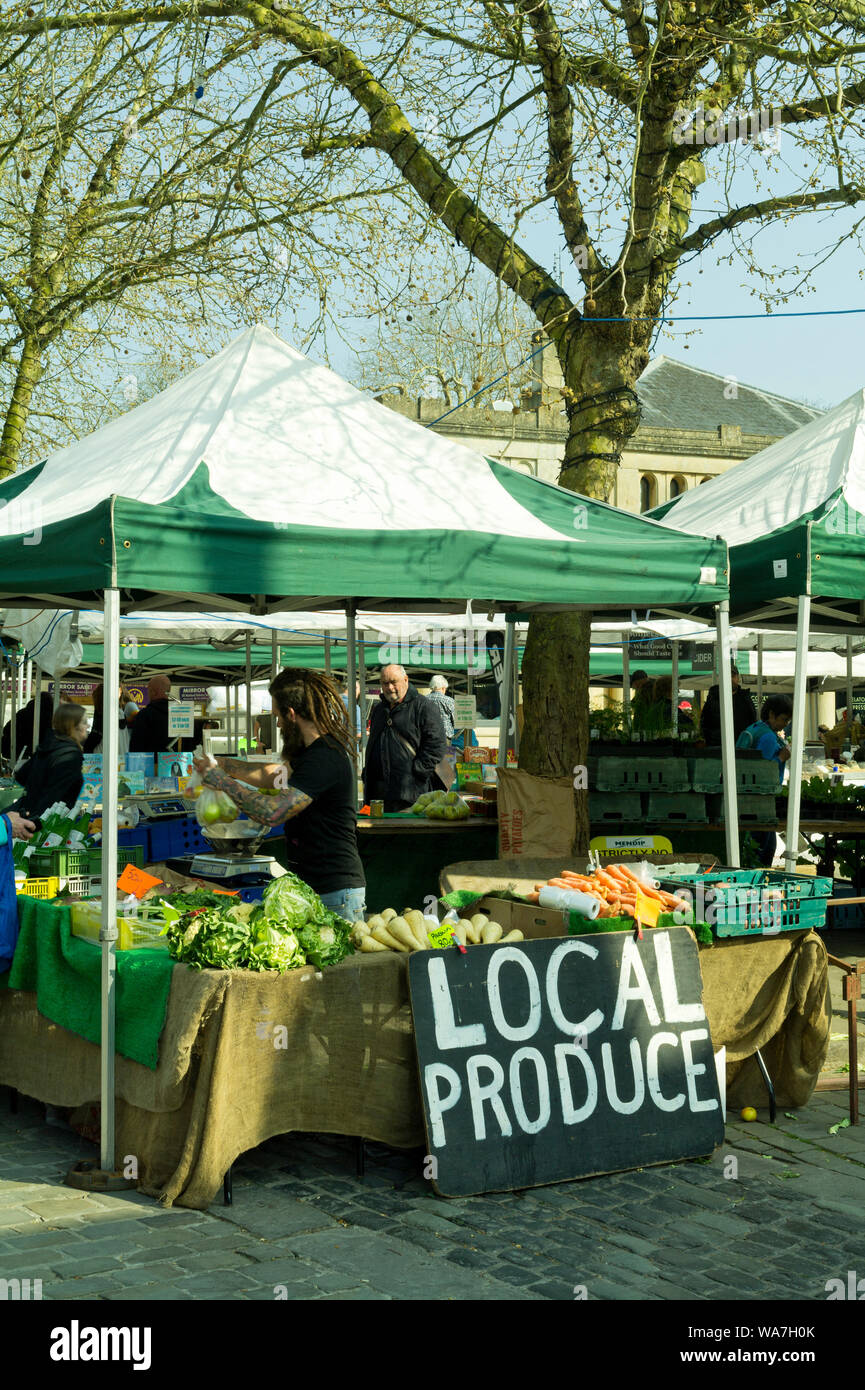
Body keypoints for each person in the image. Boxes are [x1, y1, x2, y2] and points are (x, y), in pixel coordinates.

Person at [192, 669, 365, 920]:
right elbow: (274, 775)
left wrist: (223, 782)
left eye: (277, 716)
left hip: (335, 893)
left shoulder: (323, 758)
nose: (277, 724)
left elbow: (273, 812)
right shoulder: (311, 753)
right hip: (315, 887)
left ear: (291, 714)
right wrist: (224, 765)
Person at [363, 664, 448, 811]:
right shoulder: (379, 710)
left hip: (409, 793)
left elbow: (437, 745)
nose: (389, 687)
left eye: (393, 682)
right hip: (378, 793)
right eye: (385, 683)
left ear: (405, 680)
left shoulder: (423, 706)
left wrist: (417, 772)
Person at [737, 694, 793, 867]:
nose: (785, 724)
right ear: (771, 714)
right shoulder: (768, 737)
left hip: (746, 797)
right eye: (784, 719)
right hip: (761, 800)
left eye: (788, 721)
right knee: (765, 849)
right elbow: (763, 772)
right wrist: (782, 758)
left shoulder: (754, 728)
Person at [10, 703, 88, 820]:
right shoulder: (70, 755)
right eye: (84, 722)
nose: (87, 726)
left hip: (27, 811)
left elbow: (22, 775)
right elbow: (55, 798)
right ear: (73, 726)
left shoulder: (48, 745)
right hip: (43, 822)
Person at [700, 665, 757, 745]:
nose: (730, 679)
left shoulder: (745, 698)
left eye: (733, 676)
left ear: (738, 678)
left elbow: (753, 723)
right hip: (717, 747)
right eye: (727, 676)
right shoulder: (713, 697)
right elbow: (704, 722)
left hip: (740, 747)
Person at [83, 683, 137, 756]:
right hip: (120, 756)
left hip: (104, 756)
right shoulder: (118, 712)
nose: (120, 695)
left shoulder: (106, 712)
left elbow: (97, 734)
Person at [2, 693, 54, 764]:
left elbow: (7, 729)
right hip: (40, 754)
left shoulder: (23, 713)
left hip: (17, 752)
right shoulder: (52, 717)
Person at [128, 675, 172, 754]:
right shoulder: (179, 715)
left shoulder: (144, 715)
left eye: (148, 690)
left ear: (153, 692)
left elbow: (135, 748)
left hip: (149, 765)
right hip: (177, 763)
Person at [426, 675, 456, 741]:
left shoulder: (423, 700)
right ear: (443, 688)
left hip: (427, 736)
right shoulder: (449, 700)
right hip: (445, 737)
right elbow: (456, 721)